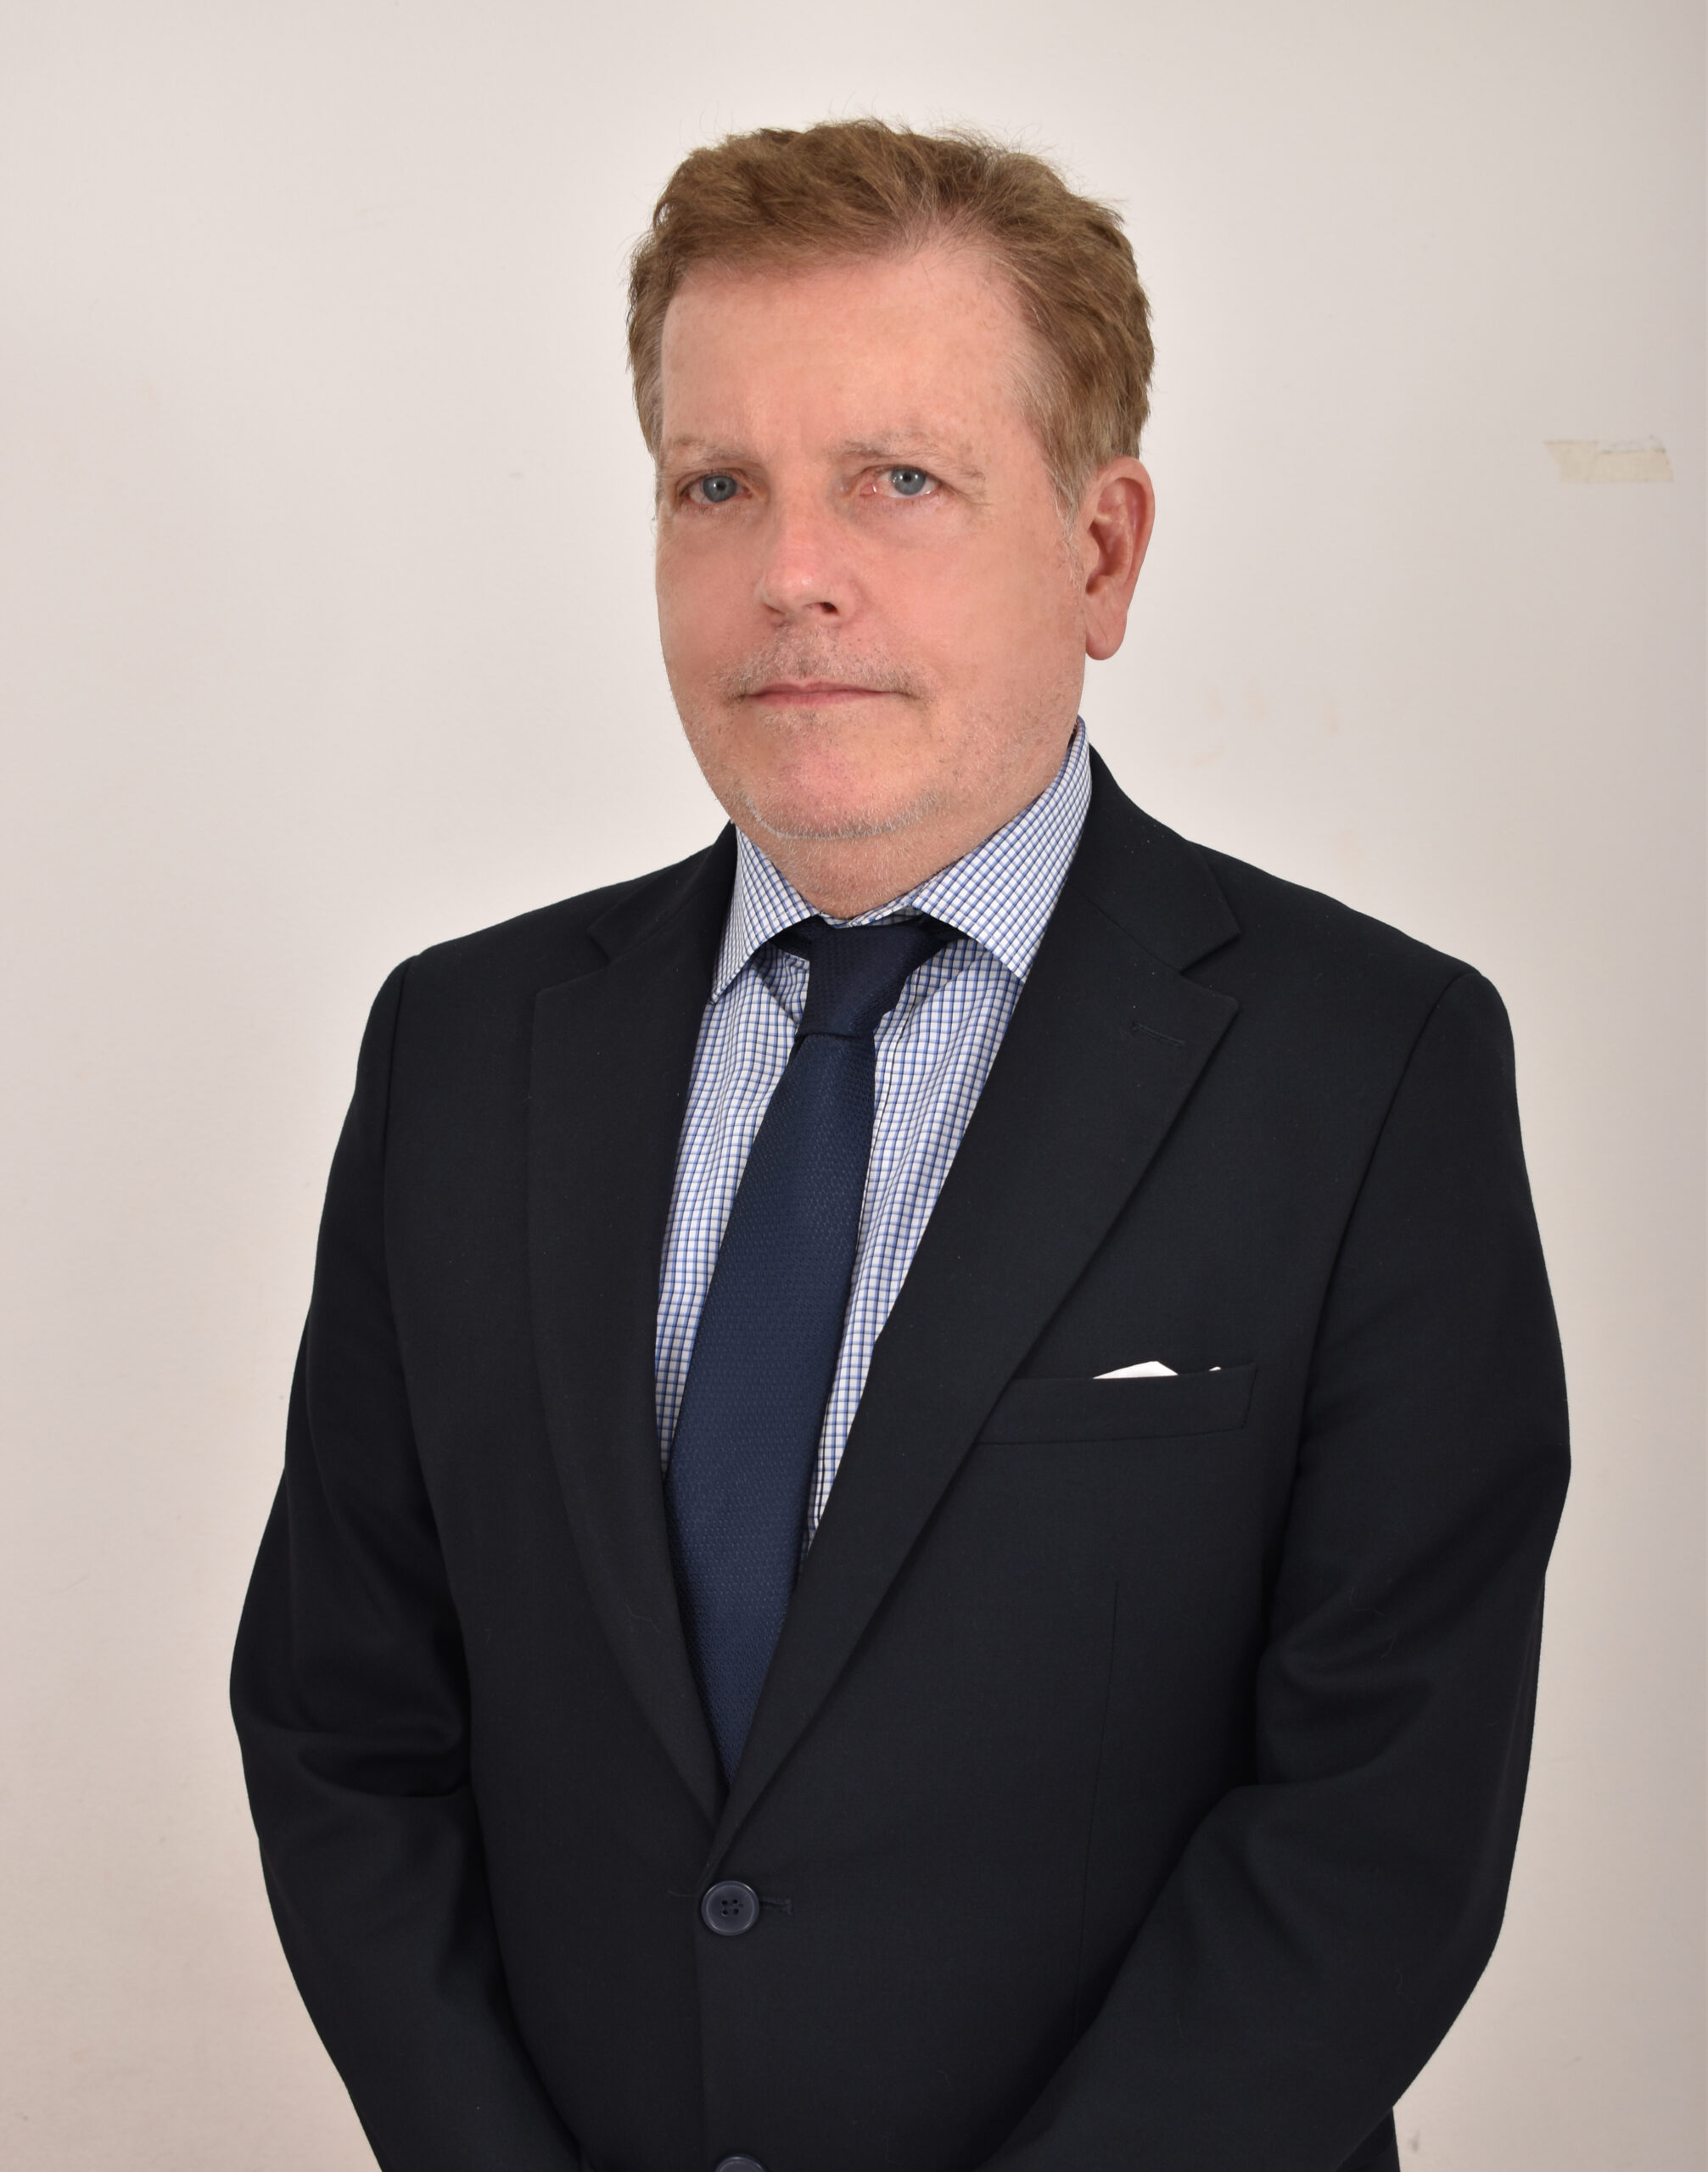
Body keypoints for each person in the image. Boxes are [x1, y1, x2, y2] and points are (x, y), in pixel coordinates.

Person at [232, 120, 1569, 2172]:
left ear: (1100, 551)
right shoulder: (463, 1047)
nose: (791, 571)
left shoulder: (1368, 1067)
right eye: (717, 486)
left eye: (899, 479)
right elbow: (346, 1726)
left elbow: (1374, 1821)